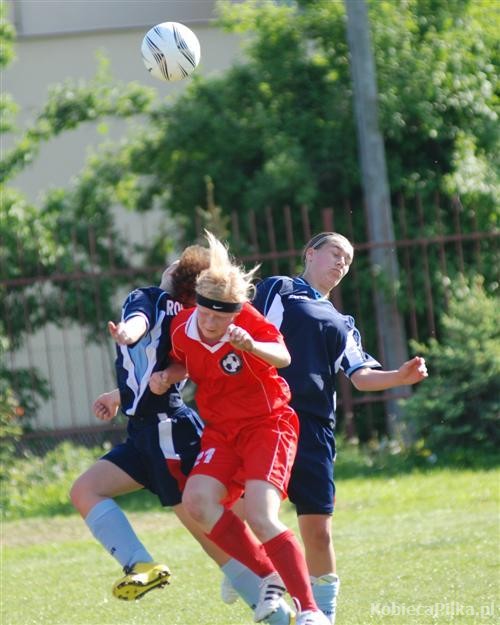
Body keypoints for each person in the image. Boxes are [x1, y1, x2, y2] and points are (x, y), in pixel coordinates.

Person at [70, 246, 293, 625]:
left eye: (178, 262)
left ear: (180, 276)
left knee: (209, 531)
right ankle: (141, 564)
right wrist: (120, 396)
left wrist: (127, 332)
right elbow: (167, 368)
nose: (173, 262)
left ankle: (276, 606)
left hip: (166, 429)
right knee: (85, 490)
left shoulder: (151, 297)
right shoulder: (189, 316)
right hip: (145, 429)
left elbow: (139, 322)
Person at [150, 231, 331, 625]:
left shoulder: (247, 321)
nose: (210, 323)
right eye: (205, 313)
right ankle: (267, 575)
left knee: (262, 516)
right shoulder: (182, 326)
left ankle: (310, 610)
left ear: (235, 312)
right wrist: (167, 375)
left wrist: (251, 346)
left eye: (221, 317)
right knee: (198, 502)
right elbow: (184, 361)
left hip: (268, 425)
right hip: (221, 430)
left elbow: (282, 357)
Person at [251, 231, 428, 623]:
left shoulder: (341, 321)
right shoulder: (278, 290)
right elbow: (237, 327)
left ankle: (323, 615)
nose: (341, 264)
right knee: (253, 510)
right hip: (266, 419)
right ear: (310, 254)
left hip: (314, 428)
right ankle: (253, 578)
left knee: (319, 531)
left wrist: (399, 377)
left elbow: (360, 376)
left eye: (347, 260)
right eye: (335, 254)